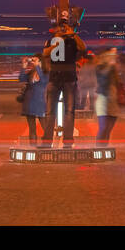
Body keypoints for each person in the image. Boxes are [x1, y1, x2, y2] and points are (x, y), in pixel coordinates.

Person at [40, 12, 86, 149]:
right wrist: (58, 40)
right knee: (50, 111)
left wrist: (73, 34)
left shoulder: (73, 40)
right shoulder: (52, 40)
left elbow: (83, 48)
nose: (63, 29)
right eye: (61, 27)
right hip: (54, 78)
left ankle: (68, 140)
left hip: (69, 79)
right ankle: (47, 141)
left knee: (70, 110)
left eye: (65, 26)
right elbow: (45, 53)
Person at [93, 48, 123, 143]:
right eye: (109, 55)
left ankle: (104, 151)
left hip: (113, 99)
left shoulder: (113, 67)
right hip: (103, 99)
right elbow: (102, 77)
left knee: (109, 128)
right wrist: (110, 65)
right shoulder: (99, 67)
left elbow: (118, 82)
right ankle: (98, 151)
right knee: (103, 128)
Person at [18, 55, 47, 145]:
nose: (34, 62)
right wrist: (24, 66)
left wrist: (38, 67)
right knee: (32, 128)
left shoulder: (46, 73)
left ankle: (47, 145)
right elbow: (21, 79)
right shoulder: (31, 72)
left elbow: (43, 81)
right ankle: (33, 147)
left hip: (40, 102)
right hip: (29, 102)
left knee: (45, 127)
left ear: (41, 62)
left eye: (36, 60)